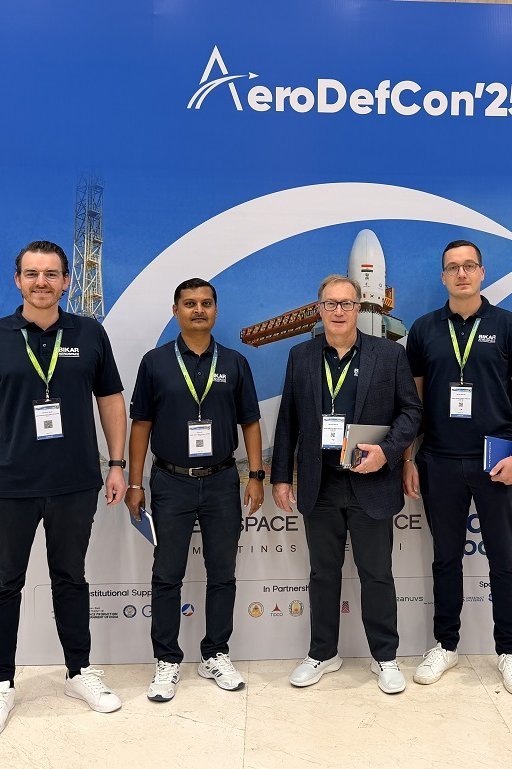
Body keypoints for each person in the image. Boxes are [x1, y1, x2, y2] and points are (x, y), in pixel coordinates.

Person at [271, 274, 422, 694]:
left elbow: (411, 412)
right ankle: (322, 653)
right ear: (319, 309)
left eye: (347, 304)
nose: (339, 311)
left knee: (377, 574)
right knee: (323, 574)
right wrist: (281, 477)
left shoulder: (388, 354)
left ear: (359, 308)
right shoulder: (301, 356)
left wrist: (387, 453)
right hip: (320, 483)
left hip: (371, 482)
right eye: (331, 303)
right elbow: (288, 420)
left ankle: (385, 657)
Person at [0, 240, 127, 734]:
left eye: (51, 274)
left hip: (74, 482)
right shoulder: (1, 334)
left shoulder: (89, 333)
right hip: (10, 483)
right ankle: (2, 682)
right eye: (32, 274)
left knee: (70, 578)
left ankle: (79, 672)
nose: (42, 283)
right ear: (17, 280)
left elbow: (111, 400)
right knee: (5, 583)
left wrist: (116, 463)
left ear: (67, 281)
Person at [126, 277, 264, 702]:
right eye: (189, 303)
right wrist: (134, 482)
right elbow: (141, 425)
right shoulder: (155, 363)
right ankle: (166, 659)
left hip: (222, 481)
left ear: (215, 311)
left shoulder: (235, 363)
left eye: (206, 303)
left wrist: (256, 475)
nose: (198, 310)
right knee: (167, 574)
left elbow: (250, 423)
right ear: (176, 311)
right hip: (170, 482)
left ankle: (215, 653)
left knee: (222, 573)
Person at [404, 239, 512, 693]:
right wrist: (409, 457)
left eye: (469, 266)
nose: (462, 274)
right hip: (439, 459)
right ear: (443, 276)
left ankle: (508, 650)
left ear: (482, 273)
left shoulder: (506, 325)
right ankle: (445, 645)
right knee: (445, 558)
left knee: (504, 559)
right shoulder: (424, 329)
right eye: (453, 267)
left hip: (497, 459)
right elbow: (412, 402)